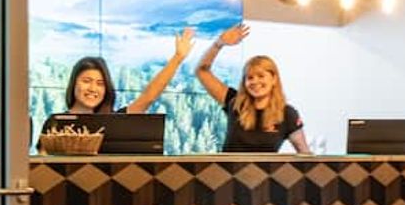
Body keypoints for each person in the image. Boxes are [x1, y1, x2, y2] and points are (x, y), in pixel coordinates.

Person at [40, 29, 194, 138]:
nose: (93, 88)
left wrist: (177, 58)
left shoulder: (115, 122)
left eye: (100, 83)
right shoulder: (55, 123)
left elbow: (149, 97)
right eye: (86, 81)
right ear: (74, 84)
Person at [195, 23, 309, 153]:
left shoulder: (287, 114)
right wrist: (218, 44)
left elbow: (304, 154)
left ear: (274, 79)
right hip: (228, 167)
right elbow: (202, 71)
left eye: (261, 76)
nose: (255, 82)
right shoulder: (235, 103)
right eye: (250, 77)